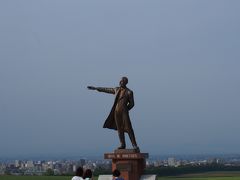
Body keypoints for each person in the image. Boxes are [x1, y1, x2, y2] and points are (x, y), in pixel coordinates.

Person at [87, 77, 139, 151]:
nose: (120, 82)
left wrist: (126, 109)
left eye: (122, 81)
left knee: (129, 128)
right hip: (116, 112)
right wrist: (96, 88)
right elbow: (107, 90)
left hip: (124, 113)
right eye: (120, 81)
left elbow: (132, 104)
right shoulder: (116, 89)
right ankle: (122, 144)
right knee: (119, 129)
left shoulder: (129, 92)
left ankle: (134, 145)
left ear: (125, 82)